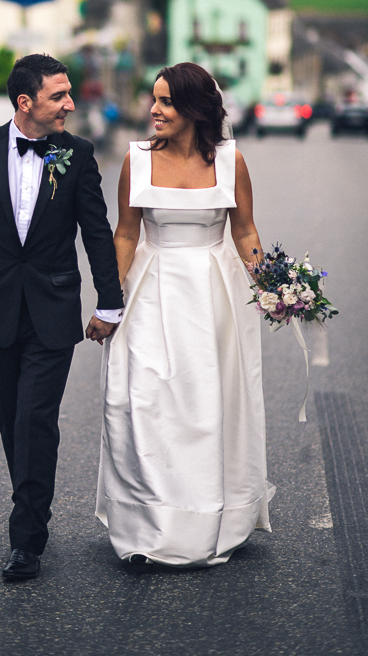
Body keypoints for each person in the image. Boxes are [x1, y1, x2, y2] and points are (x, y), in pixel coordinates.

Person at [0, 54, 123, 581]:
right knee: (8, 418)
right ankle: (31, 502)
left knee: (34, 419)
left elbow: (97, 231)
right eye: (59, 96)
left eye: (70, 94)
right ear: (26, 102)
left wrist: (108, 301)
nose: (71, 104)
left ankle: (27, 537)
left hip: (53, 310)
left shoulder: (78, 154)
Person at [96, 62, 275, 568]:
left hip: (211, 299)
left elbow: (245, 233)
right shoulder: (136, 161)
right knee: (146, 404)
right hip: (151, 293)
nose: (154, 109)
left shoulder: (231, 162)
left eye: (167, 101)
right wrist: (109, 303)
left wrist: (275, 289)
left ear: (195, 109)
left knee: (205, 408)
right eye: (154, 99)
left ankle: (209, 516)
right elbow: (126, 234)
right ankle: (149, 523)